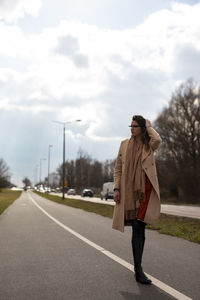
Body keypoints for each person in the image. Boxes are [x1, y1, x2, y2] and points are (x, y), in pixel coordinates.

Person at [112, 115, 162, 285]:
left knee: (138, 226)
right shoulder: (124, 144)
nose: (131, 129)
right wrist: (117, 188)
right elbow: (118, 169)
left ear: (142, 128)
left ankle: (138, 269)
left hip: (145, 191)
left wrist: (149, 126)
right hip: (128, 192)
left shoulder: (149, 145)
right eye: (130, 126)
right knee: (137, 227)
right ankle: (138, 268)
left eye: (135, 126)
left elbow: (158, 139)